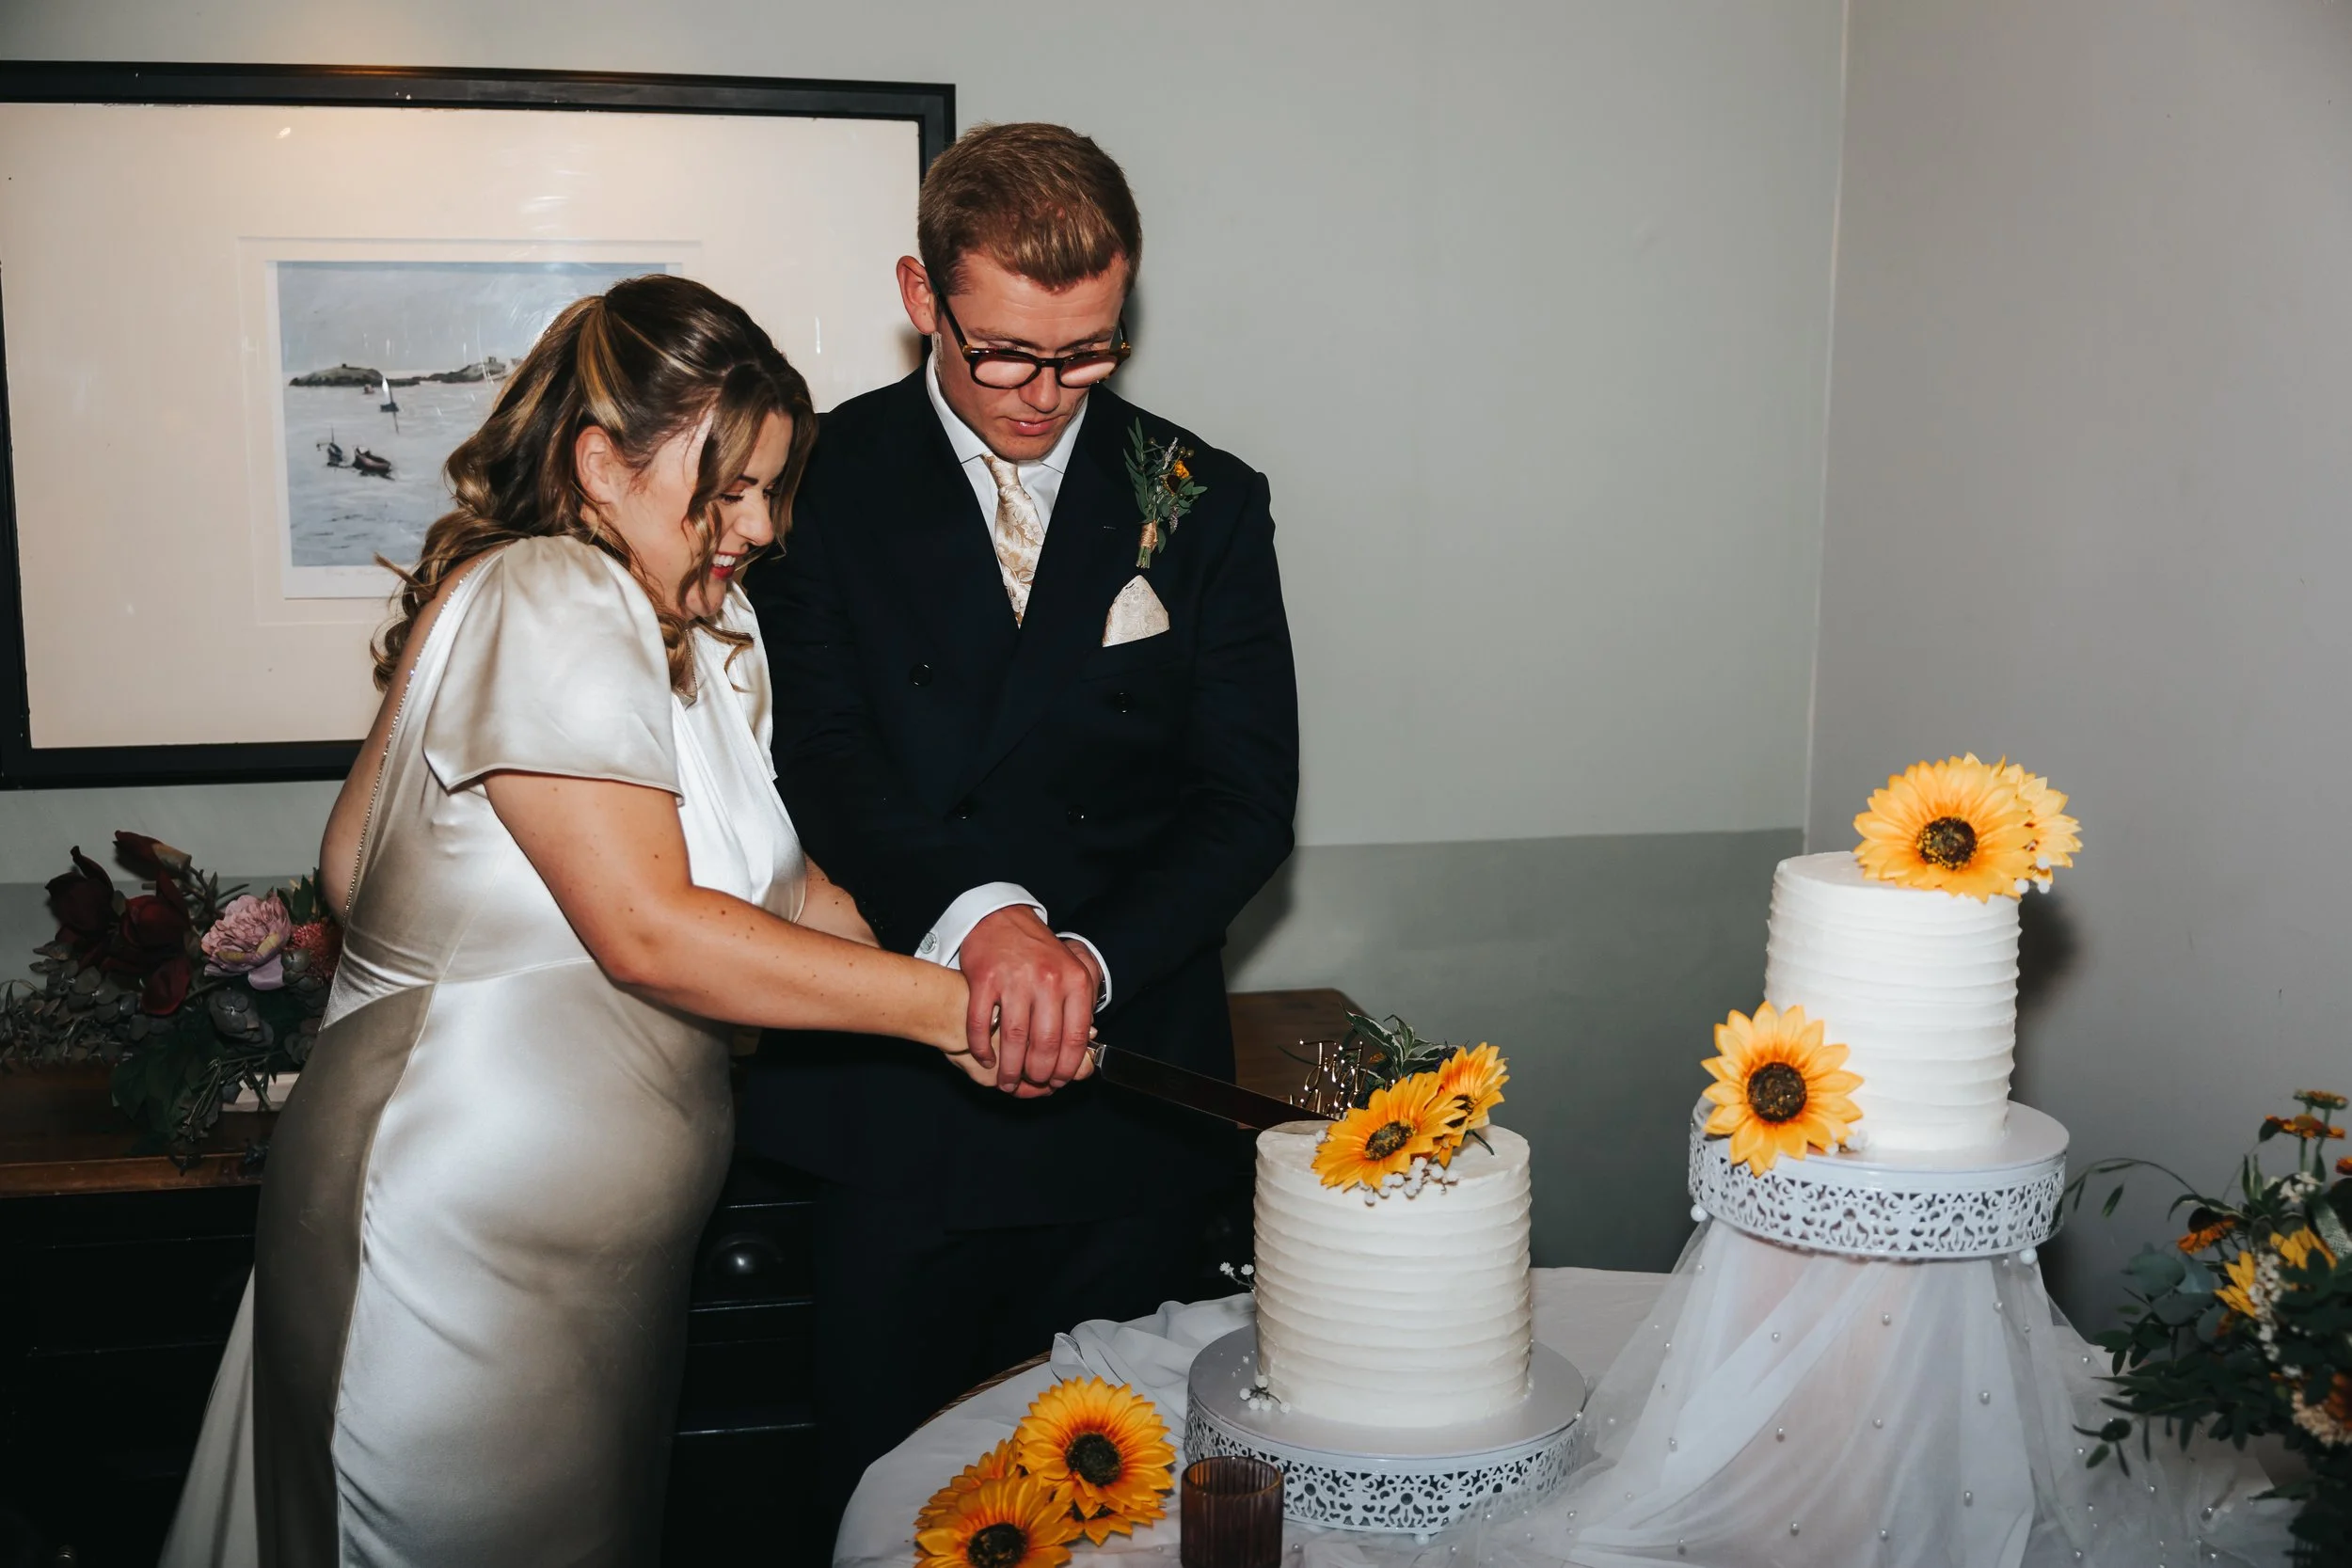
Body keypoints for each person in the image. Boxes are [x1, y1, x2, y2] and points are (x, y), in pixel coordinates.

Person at [160, 275, 1039, 1568]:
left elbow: (784, 890)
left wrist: (969, 980)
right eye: (723, 485)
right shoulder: (549, 593)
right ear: (598, 461)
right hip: (455, 1232)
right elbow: (648, 930)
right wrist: (947, 1012)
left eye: (770, 490)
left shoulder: (702, 621)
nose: (755, 525)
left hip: (596, 1255)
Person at [739, 122, 1300, 1513]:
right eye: (1005, 353)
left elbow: (1247, 801)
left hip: (1127, 1099)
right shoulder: (812, 485)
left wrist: (1085, 962)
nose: (1047, 394)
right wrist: (988, 924)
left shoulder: (1204, 499)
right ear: (922, 297)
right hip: (897, 1102)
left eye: (1089, 352)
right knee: (894, 1498)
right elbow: (821, 754)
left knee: (1112, 1507)